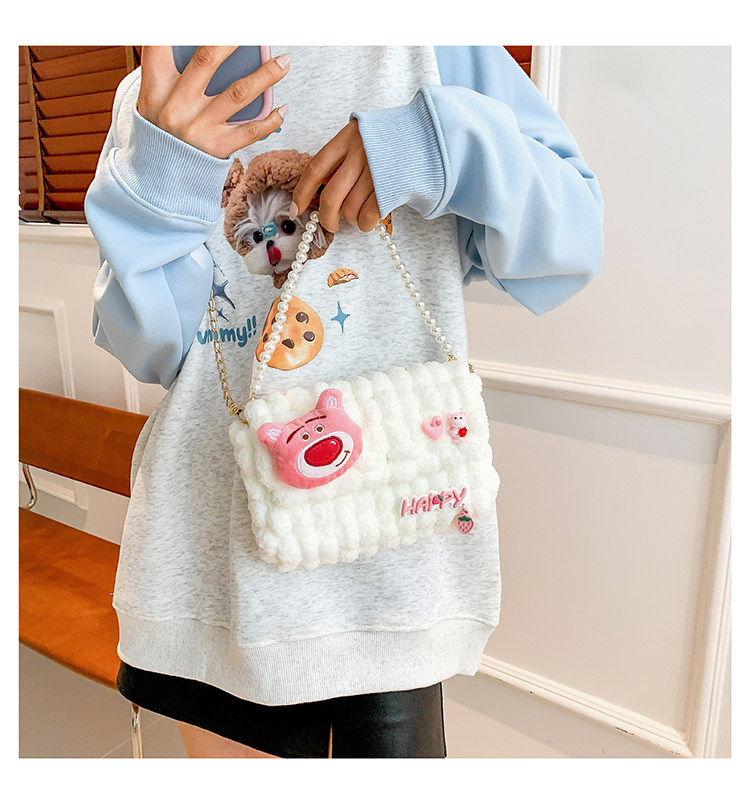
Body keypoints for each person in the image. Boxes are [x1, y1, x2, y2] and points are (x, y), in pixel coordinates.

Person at [85, 45, 604, 759]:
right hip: (208, 571)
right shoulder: (155, 87)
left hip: (390, 570)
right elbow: (153, 351)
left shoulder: (429, 44)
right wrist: (161, 183)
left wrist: (438, 141)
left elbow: (572, 241)